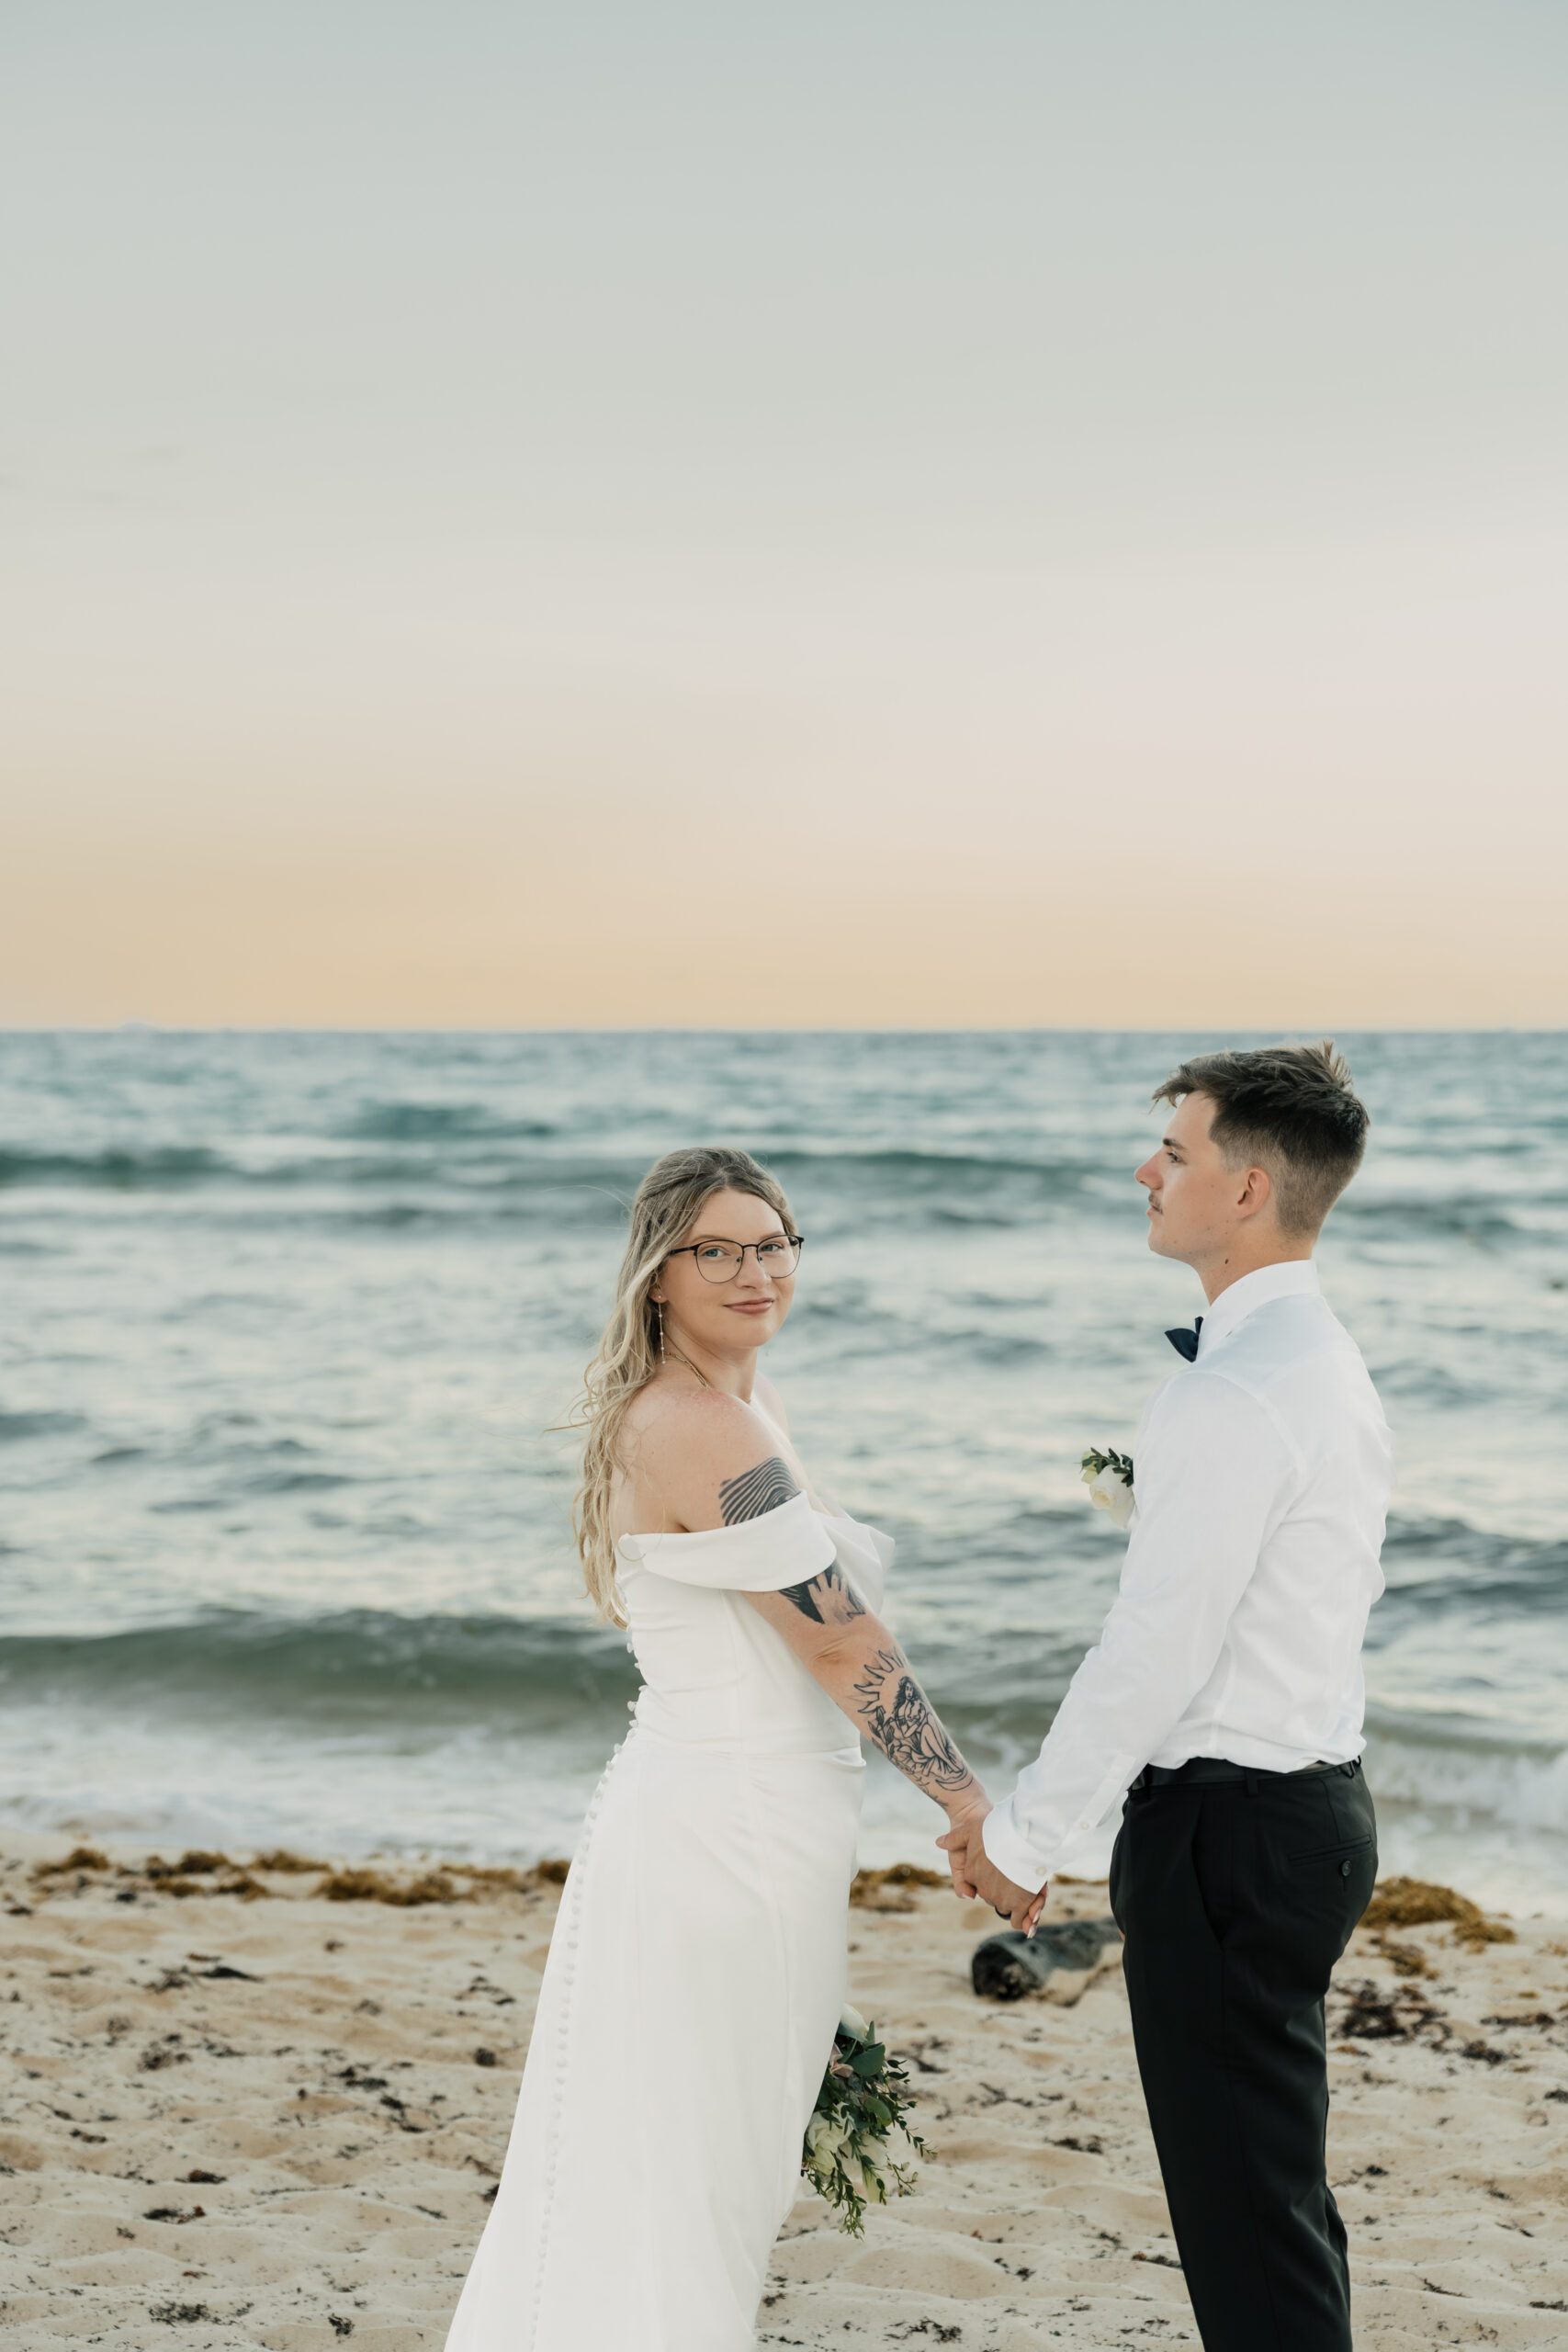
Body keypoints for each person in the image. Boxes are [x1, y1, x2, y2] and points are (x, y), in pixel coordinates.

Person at [445, 1145, 988, 2352]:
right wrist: (967, 1807)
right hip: (720, 1841)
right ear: (657, 1276)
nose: (756, 1271)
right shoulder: (697, 1426)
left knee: (708, 2174)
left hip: (757, 1829)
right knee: (678, 2180)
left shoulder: (741, 1407)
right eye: (718, 1250)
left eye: (773, 1244)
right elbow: (841, 1643)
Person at [942, 1041, 1392, 2352]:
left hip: (1230, 1838)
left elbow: (1154, 1651)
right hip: (1310, 1815)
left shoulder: (1238, 1392)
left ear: (1248, 1189)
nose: (1148, 1171)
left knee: (1249, 2228)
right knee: (1277, 2204)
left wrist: (1024, 1843)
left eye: (1177, 1151)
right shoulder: (1323, 1363)